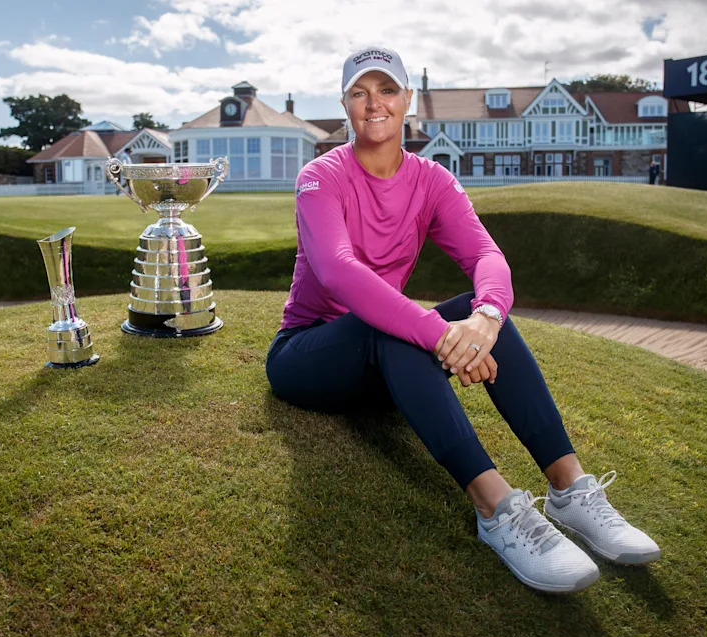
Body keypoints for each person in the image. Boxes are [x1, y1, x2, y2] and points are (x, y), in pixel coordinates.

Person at [265, 45, 660, 594]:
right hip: (307, 357)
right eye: (359, 92)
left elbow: (486, 258)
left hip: (388, 364)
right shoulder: (320, 177)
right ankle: (497, 508)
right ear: (344, 105)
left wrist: (487, 320)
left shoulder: (433, 180)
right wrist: (438, 332)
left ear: (407, 102)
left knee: (468, 315)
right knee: (392, 321)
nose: (373, 103)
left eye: (385, 90)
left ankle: (568, 489)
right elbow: (338, 272)